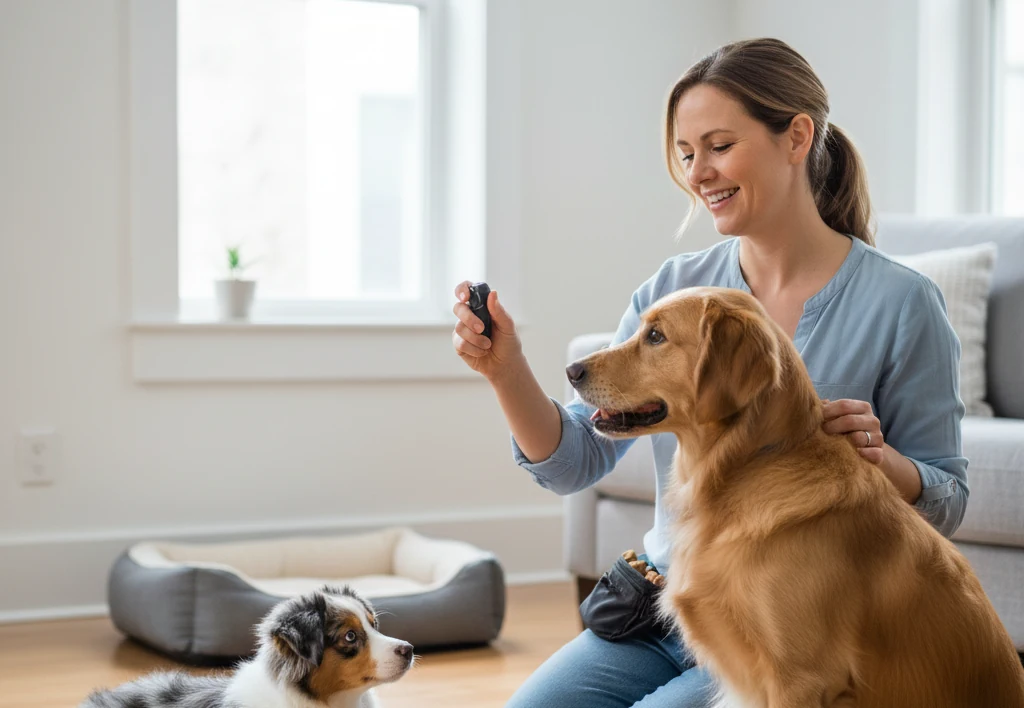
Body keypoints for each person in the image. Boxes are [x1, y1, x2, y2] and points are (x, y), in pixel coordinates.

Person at [451, 37, 968, 707]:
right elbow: (575, 460)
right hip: (664, 603)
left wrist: (882, 461)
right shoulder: (675, 287)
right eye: (687, 153)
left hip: (777, 624)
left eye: (719, 146)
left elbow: (947, 499)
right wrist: (505, 370)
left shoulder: (901, 302)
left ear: (797, 137)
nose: (699, 173)